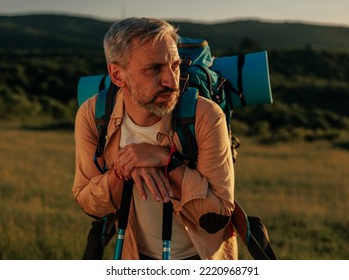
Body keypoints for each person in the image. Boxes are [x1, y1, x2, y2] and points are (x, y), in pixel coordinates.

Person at [72, 17, 237, 260]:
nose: (172, 81)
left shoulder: (206, 115)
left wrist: (167, 161)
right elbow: (89, 204)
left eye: (176, 65)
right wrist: (123, 170)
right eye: (154, 69)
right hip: (136, 256)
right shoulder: (93, 116)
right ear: (117, 75)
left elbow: (218, 216)